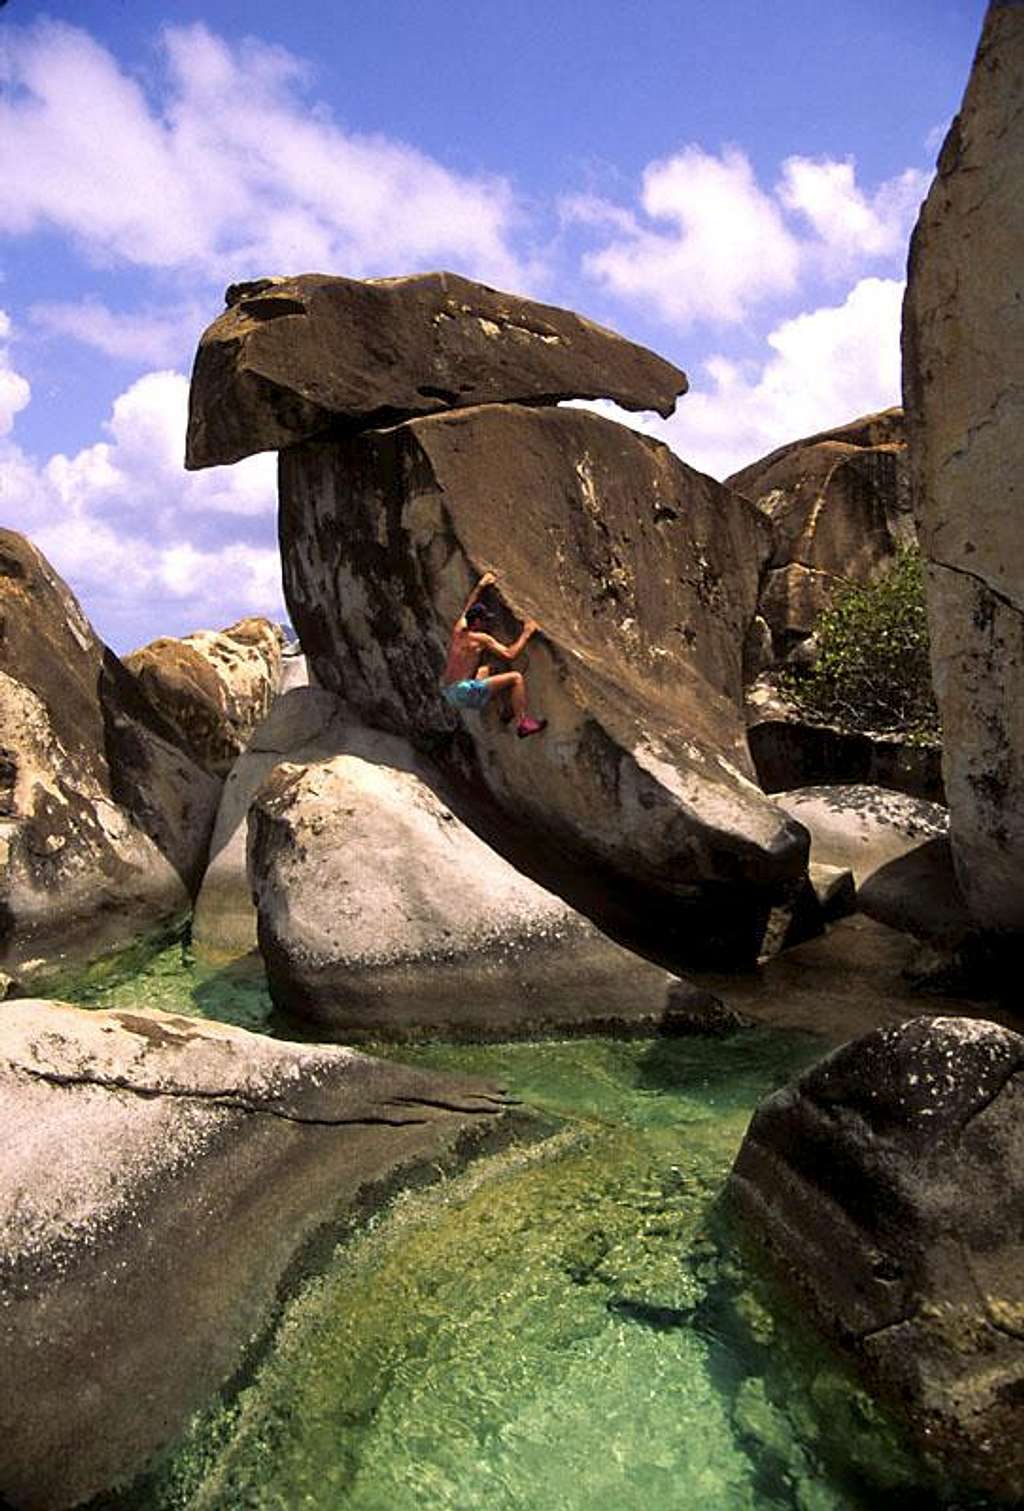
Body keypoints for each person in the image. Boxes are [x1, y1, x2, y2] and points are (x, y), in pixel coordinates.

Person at [441, 570, 548, 738]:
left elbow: (468, 608)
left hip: (449, 692)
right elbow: (509, 654)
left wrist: (481, 585)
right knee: (516, 678)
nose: (487, 623)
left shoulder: (459, 628)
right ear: (477, 622)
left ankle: (507, 708)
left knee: (487, 670)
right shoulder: (481, 639)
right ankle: (523, 723)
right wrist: (527, 632)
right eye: (485, 620)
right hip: (464, 691)